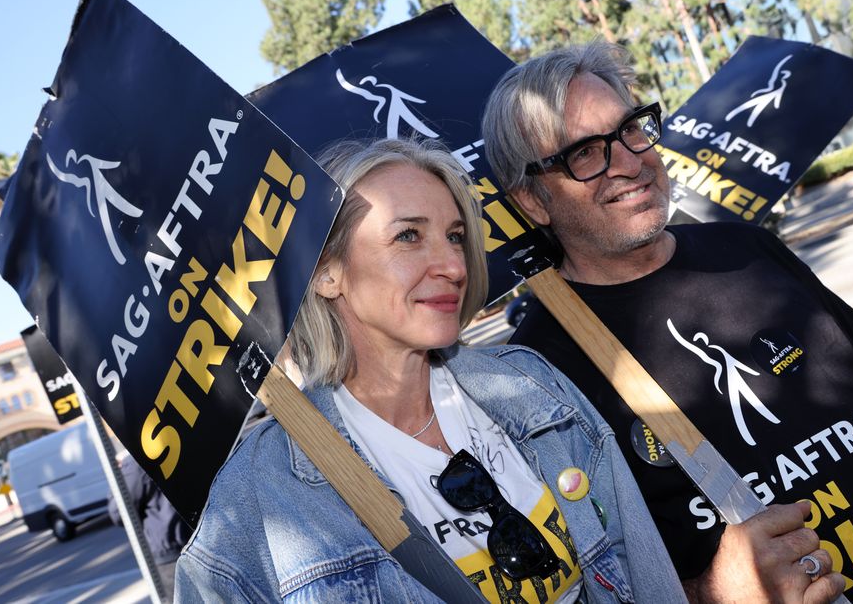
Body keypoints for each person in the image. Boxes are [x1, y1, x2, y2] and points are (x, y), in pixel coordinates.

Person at [482, 41, 853, 603]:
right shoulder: (536, 376)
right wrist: (716, 593)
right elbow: (589, 587)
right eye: (584, 153)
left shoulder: (749, 248)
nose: (630, 162)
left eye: (631, 130)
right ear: (533, 200)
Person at [174, 138, 689, 602]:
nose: (454, 265)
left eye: (455, 235)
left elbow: (644, 572)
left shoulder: (531, 385)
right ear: (328, 272)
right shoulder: (256, 498)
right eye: (408, 236)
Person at [108, 453, 191, 603]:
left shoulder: (136, 463)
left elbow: (118, 511)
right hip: (196, 538)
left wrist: (119, 475)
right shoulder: (181, 442)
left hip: (169, 552)